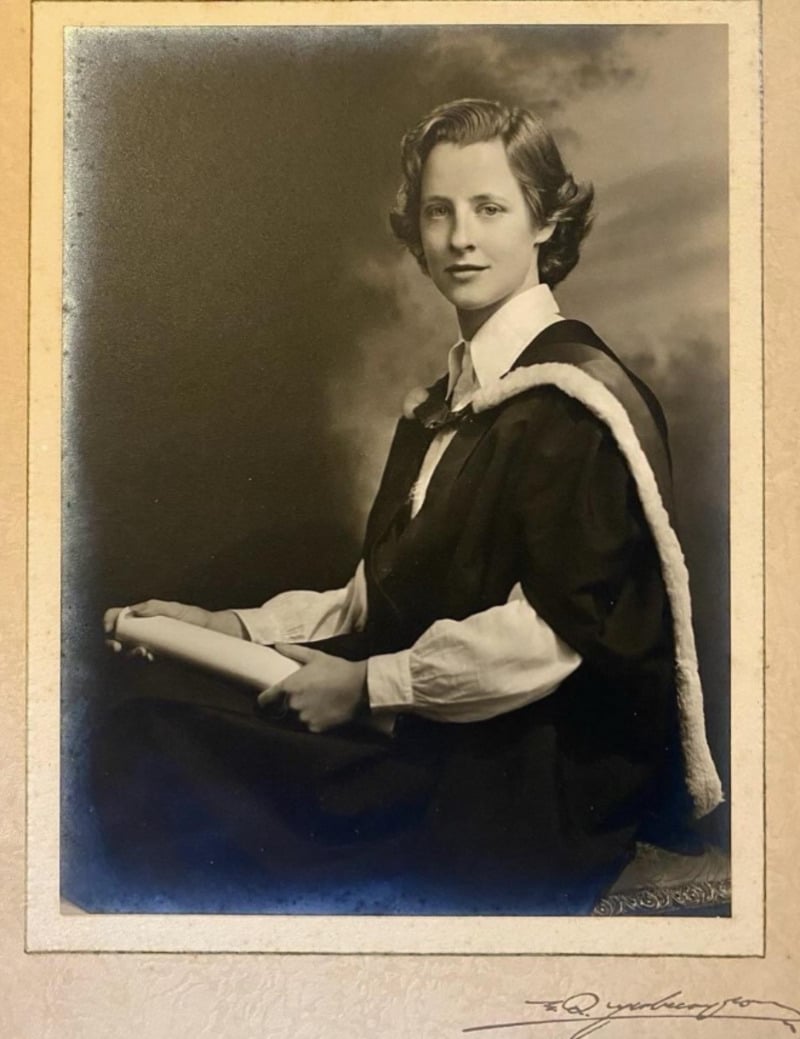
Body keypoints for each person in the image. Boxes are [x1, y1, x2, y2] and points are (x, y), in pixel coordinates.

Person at [94, 98, 722, 915]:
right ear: (416, 232)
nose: (461, 237)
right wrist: (229, 628)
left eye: (490, 208)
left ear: (543, 222)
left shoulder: (574, 401)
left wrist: (366, 687)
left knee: (156, 752)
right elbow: (379, 596)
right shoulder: (446, 404)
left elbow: (551, 637)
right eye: (439, 211)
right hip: (437, 730)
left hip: (532, 781)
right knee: (149, 719)